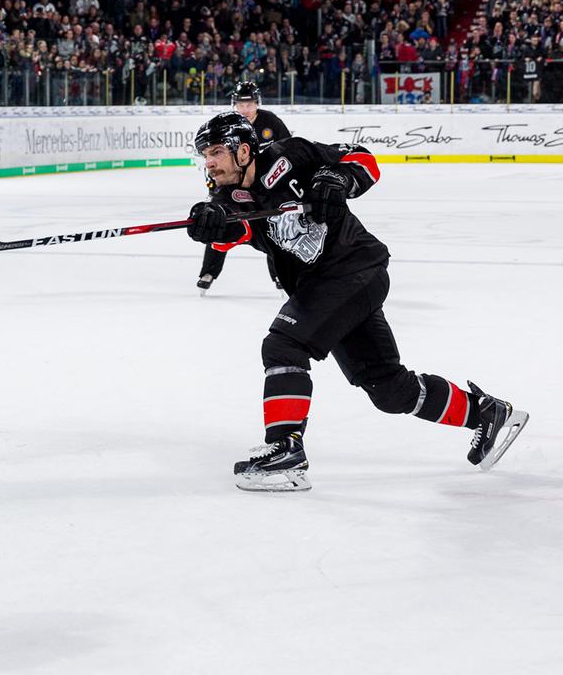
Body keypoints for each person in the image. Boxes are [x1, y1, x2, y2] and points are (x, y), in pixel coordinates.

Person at [185, 112, 529, 492]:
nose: (210, 162)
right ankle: (485, 412)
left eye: (216, 151)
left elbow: (363, 159)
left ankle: (285, 449)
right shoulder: (228, 197)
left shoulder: (293, 154)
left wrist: (337, 180)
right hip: (327, 286)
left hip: (354, 268)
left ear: (244, 150)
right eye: (205, 155)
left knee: (284, 343)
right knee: (388, 389)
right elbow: (231, 231)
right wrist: (210, 224)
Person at [197, 81, 291, 295]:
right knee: (219, 220)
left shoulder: (271, 122)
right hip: (234, 186)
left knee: (274, 225)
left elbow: (288, 149)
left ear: (257, 103)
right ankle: (208, 272)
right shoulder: (230, 125)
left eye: (249, 104)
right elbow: (215, 154)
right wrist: (215, 184)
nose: (245, 109)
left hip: (266, 186)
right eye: (240, 104)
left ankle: (279, 273)